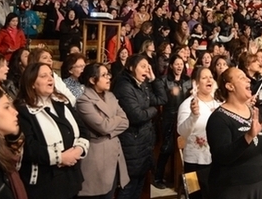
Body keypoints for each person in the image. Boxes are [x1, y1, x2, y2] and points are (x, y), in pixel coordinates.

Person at [206, 67, 262, 199]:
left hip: (256, 187)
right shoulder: (218, 118)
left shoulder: (253, 112)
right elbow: (222, 156)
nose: (248, 80)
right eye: (241, 78)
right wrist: (248, 136)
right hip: (231, 189)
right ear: (230, 86)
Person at [15, 62, 90, 199]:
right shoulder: (23, 110)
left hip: (71, 177)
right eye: (44, 76)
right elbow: (28, 147)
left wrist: (78, 150)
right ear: (31, 83)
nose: (50, 79)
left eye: (51, 75)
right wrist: (60, 157)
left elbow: (83, 130)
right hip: (45, 184)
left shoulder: (62, 101)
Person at [112, 55, 167, 199]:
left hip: (143, 142)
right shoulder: (124, 86)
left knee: (139, 186)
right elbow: (137, 116)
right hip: (132, 142)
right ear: (131, 67)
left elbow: (162, 99)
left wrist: (154, 79)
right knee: (129, 187)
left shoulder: (140, 84)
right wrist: (155, 110)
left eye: (148, 66)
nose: (147, 70)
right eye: (143, 66)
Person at [75, 63, 130, 199]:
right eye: (104, 75)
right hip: (97, 157)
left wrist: (109, 127)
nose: (108, 78)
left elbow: (126, 121)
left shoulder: (110, 96)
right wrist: (114, 121)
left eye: (108, 74)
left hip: (113, 153)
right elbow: (102, 126)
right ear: (92, 80)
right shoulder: (84, 101)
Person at [176, 67, 221, 199]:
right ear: (196, 82)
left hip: (215, 159)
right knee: (195, 196)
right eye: (204, 77)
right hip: (194, 161)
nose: (209, 80)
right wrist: (193, 116)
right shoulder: (188, 104)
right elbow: (182, 131)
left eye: (211, 77)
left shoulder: (218, 103)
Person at [154, 53, 192, 188]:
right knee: (166, 148)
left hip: (185, 116)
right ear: (171, 66)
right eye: (176, 64)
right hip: (169, 117)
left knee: (186, 148)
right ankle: (158, 177)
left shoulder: (188, 81)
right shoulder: (164, 80)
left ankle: (183, 181)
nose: (179, 66)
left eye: (181, 64)